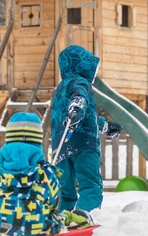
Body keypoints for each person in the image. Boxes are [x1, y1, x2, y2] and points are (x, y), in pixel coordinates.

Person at [0, 112, 93, 236]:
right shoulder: (46, 172)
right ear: (38, 141)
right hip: (37, 228)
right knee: (63, 217)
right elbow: (54, 202)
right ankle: (81, 218)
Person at [51, 45, 123, 212]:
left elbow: (84, 117)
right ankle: (84, 214)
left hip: (61, 147)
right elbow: (80, 98)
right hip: (84, 145)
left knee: (65, 191)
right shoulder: (81, 82)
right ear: (81, 66)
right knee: (90, 185)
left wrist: (105, 126)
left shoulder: (60, 89)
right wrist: (78, 106)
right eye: (93, 68)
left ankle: (61, 216)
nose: (94, 73)